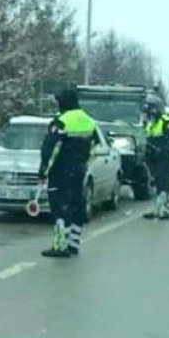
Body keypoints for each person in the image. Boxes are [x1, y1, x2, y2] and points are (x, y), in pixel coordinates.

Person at [38, 87, 98, 258]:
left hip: (60, 170)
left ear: (64, 102)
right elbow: (94, 146)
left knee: (59, 208)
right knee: (75, 206)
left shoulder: (61, 122)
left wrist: (43, 171)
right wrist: (84, 163)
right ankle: (73, 243)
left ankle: (60, 246)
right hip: (79, 170)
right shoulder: (89, 121)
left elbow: (50, 150)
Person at [143, 94, 169, 220]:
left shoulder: (166, 122)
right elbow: (148, 138)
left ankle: (164, 210)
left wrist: (164, 149)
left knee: (163, 183)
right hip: (152, 158)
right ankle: (158, 208)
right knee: (157, 183)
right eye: (148, 108)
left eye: (151, 108)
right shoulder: (150, 123)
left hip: (164, 158)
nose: (149, 111)